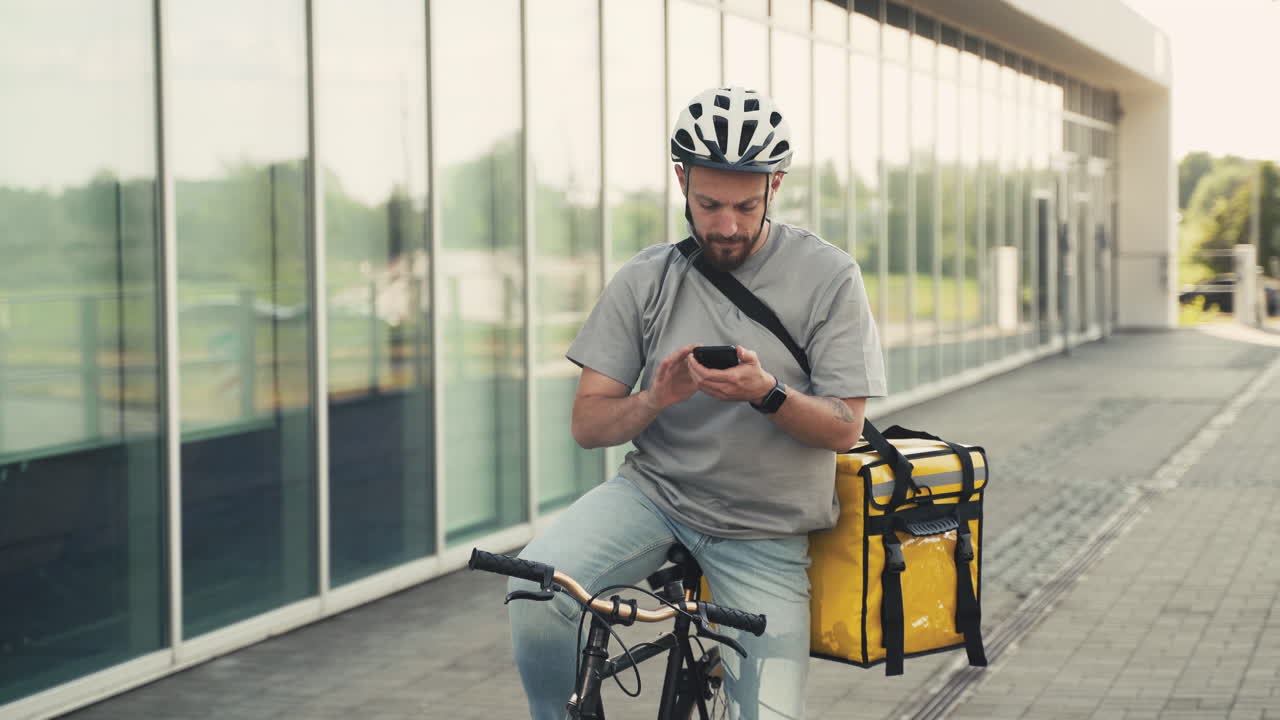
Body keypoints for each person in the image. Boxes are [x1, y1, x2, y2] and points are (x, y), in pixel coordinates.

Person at [508, 86, 887, 719]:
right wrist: (655, 398)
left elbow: (846, 429)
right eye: (709, 204)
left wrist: (768, 394)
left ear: (776, 185)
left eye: (746, 205)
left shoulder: (831, 277)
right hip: (654, 497)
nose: (728, 225)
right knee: (536, 587)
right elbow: (589, 423)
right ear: (680, 179)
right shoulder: (646, 278)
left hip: (765, 529)